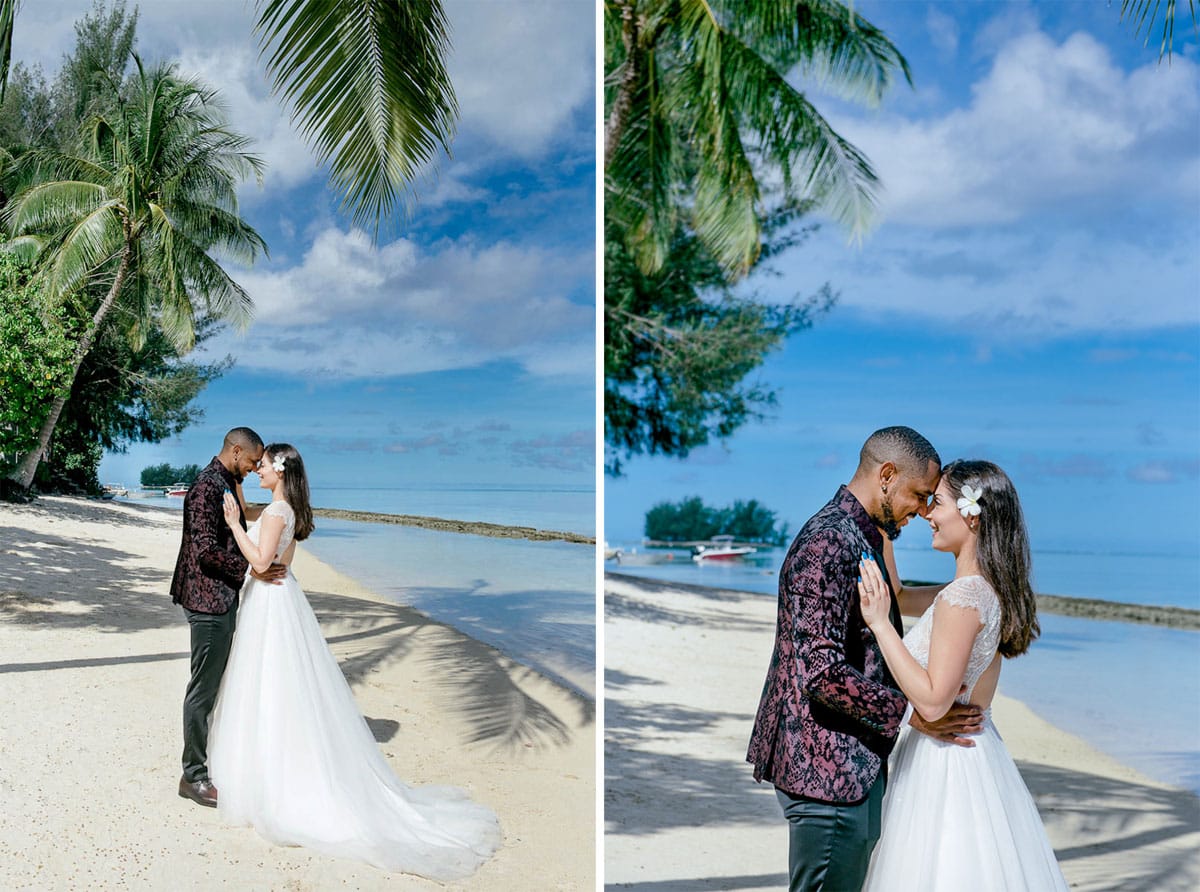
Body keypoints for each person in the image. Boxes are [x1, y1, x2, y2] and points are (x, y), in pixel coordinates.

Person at [208, 443, 501, 880]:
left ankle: (267, 778)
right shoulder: (289, 513)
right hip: (282, 599)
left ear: (280, 472)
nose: (259, 472)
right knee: (281, 686)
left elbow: (261, 561)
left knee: (266, 684)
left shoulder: (275, 514)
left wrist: (233, 525)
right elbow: (276, 557)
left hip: (269, 602)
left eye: (264, 466)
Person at [746, 426, 985, 892]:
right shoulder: (829, 542)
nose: (921, 509)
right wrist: (913, 713)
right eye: (918, 495)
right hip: (825, 770)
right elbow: (822, 672)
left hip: (848, 764)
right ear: (887, 475)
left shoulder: (861, 535)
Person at [857, 460, 1068, 890]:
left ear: (971, 513)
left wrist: (880, 625)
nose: (928, 516)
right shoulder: (984, 590)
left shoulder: (962, 598)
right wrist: (884, 526)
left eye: (937, 504)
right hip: (975, 754)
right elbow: (898, 595)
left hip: (944, 761)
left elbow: (934, 701)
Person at [171, 426, 286, 808]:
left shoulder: (224, 481)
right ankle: (194, 776)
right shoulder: (208, 487)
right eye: (253, 460)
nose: (255, 468)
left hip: (218, 595)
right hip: (206, 600)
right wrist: (252, 569)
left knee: (215, 685)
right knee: (203, 689)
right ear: (236, 451)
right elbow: (204, 550)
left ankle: (207, 764)